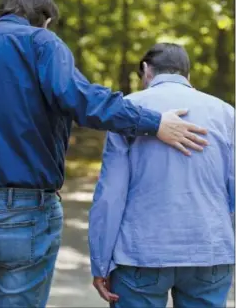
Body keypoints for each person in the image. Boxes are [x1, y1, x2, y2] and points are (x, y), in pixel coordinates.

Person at [0, 0, 208, 308]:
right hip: (21, 209)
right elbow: (81, 98)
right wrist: (153, 123)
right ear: (44, 20)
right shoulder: (40, 42)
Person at [89, 43, 234, 308]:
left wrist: (100, 263)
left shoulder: (128, 110)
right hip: (210, 253)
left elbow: (111, 194)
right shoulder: (226, 114)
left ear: (146, 70)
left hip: (140, 255)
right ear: (187, 75)